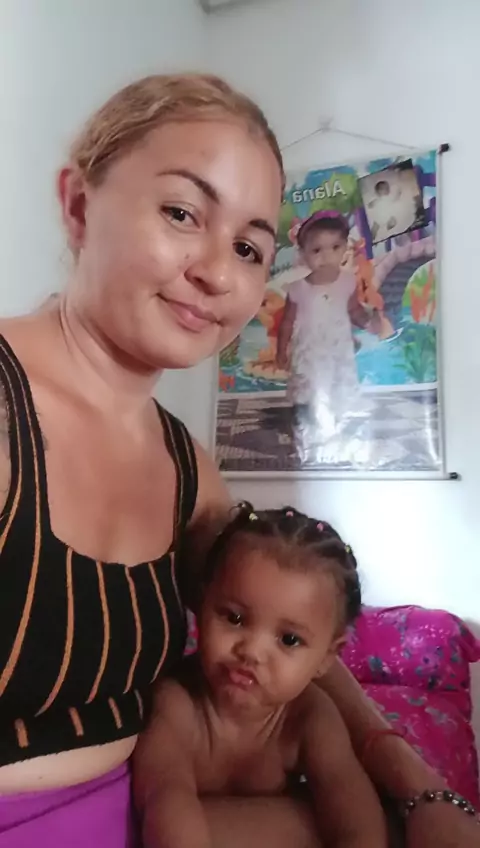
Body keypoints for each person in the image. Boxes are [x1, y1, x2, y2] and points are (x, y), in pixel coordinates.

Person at [0, 71, 475, 848]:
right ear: (79, 205)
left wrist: (415, 783)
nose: (219, 274)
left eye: (251, 248)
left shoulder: (187, 471)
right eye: (182, 213)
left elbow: (295, 612)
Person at [134, 503, 389, 848]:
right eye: (234, 618)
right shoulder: (176, 702)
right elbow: (165, 799)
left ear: (327, 657)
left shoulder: (310, 717)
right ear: (202, 604)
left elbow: (356, 816)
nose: (252, 651)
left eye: (289, 639)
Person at [276, 211, 373, 442]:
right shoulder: (297, 288)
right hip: (310, 349)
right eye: (317, 250)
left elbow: (354, 310)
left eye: (335, 247)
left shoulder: (348, 281)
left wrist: (370, 322)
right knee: (307, 386)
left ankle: (338, 424)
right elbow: (287, 322)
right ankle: (304, 422)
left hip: (338, 347)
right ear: (303, 254)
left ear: (345, 248)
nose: (326, 256)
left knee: (339, 383)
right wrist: (281, 350)